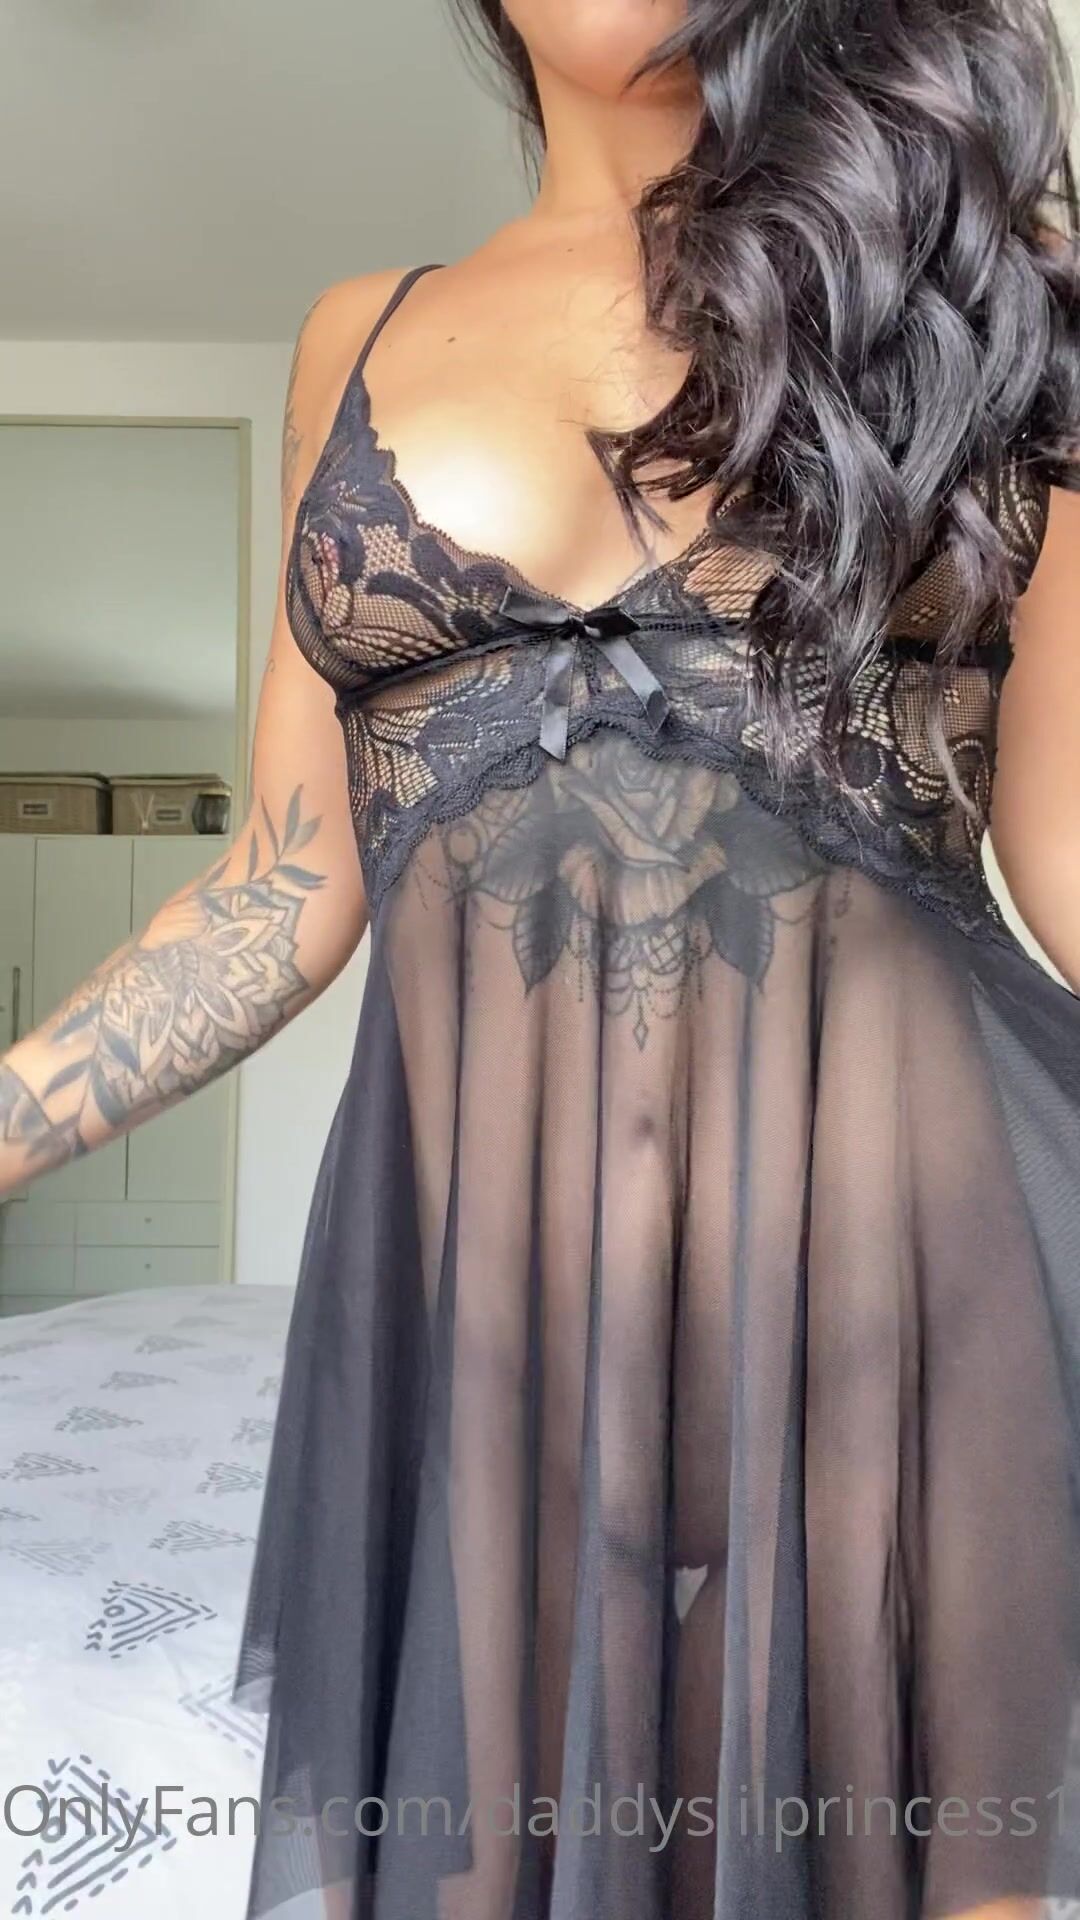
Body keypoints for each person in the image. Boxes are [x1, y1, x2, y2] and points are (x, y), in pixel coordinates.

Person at [4, 1, 1080, 1915]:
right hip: (491, 1328)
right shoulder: (358, 340)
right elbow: (276, 891)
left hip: (908, 1306)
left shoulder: (989, 305)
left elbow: (1066, 854)